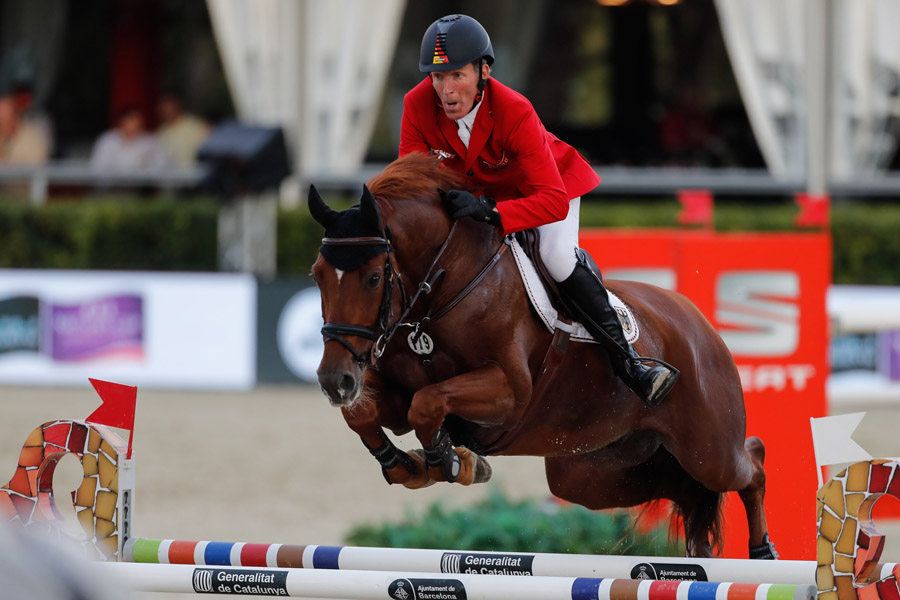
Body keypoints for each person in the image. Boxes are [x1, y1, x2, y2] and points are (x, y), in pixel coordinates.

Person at [400, 14, 678, 407]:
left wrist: (492, 212)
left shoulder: (514, 109)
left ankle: (630, 364)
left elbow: (552, 200)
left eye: (457, 75)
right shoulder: (416, 105)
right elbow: (413, 186)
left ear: (483, 71)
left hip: (548, 190)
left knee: (555, 256)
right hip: (478, 199)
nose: (445, 91)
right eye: (437, 77)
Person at [90, 106, 169, 171]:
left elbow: (161, 164)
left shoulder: (150, 141)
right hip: (112, 184)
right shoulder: (108, 140)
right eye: (132, 119)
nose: (137, 124)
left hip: (143, 184)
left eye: (139, 120)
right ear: (122, 121)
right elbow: (98, 166)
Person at [156, 93, 210, 167]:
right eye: (164, 110)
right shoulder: (162, 132)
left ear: (177, 107)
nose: (167, 112)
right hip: (170, 172)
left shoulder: (195, 126)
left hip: (195, 170)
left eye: (169, 108)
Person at [0, 91, 49, 165]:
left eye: (3, 119)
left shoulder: (30, 139)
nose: (1, 123)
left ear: (14, 116)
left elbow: (37, 163)